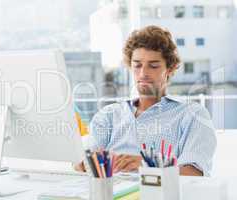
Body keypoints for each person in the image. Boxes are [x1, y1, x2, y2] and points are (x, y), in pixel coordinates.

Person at [75, 25, 216, 176]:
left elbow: (194, 173)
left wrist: (147, 166)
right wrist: (83, 163)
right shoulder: (108, 115)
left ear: (169, 69)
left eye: (153, 66)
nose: (143, 73)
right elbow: (85, 163)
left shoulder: (192, 115)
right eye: (137, 65)